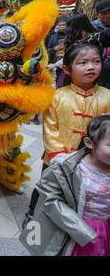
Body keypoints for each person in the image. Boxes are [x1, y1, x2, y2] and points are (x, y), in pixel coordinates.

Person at [23, 43, 110, 228]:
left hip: (92, 161)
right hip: (56, 157)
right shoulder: (57, 96)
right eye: (83, 62)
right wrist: (58, 155)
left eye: (96, 61)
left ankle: (73, 221)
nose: (91, 67)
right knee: (46, 188)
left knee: (81, 193)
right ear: (67, 69)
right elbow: (50, 128)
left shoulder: (107, 97)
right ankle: (33, 215)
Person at [20, 115, 110, 256]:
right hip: (71, 229)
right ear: (89, 142)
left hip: (104, 230)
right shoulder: (67, 168)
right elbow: (50, 199)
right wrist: (79, 228)